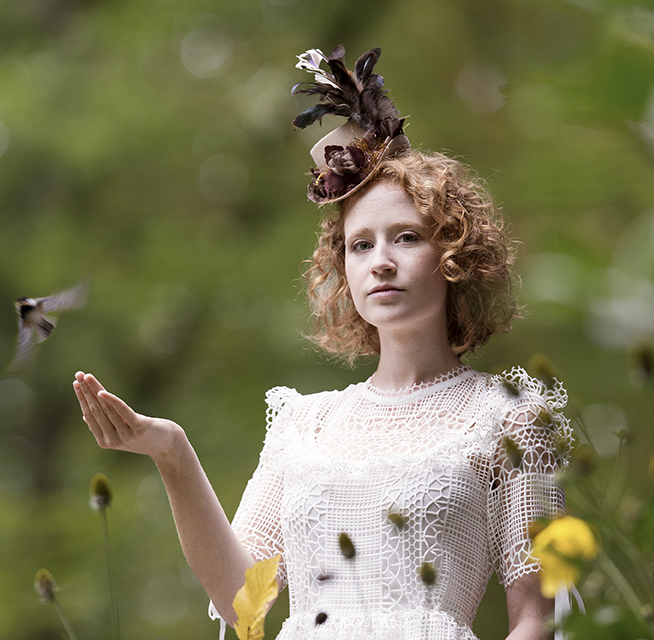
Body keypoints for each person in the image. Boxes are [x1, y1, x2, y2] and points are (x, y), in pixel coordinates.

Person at [73, 45, 571, 640]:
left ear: (453, 255)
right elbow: (243, 604)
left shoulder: (513, 417)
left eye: (406, 238)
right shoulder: (302, 424)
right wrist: (172, 453)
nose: (381, 262)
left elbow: (538, 618)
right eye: (361, 245)